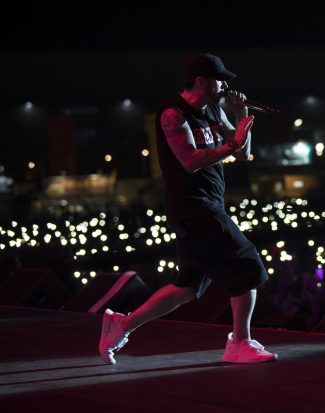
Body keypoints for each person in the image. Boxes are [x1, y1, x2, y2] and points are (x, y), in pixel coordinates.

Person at [99, 52, 277, 364]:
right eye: (219, 79)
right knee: (247, 265)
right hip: (192, 207)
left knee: (187, 287)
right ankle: (240, 341)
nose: (223, 85)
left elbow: (242, 153)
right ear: (200, 81)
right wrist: (233, 144)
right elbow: (189, 161)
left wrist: (237, 117)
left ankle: (122, 325)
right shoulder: (173, 113)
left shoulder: (212, 110)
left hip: (209, 202)